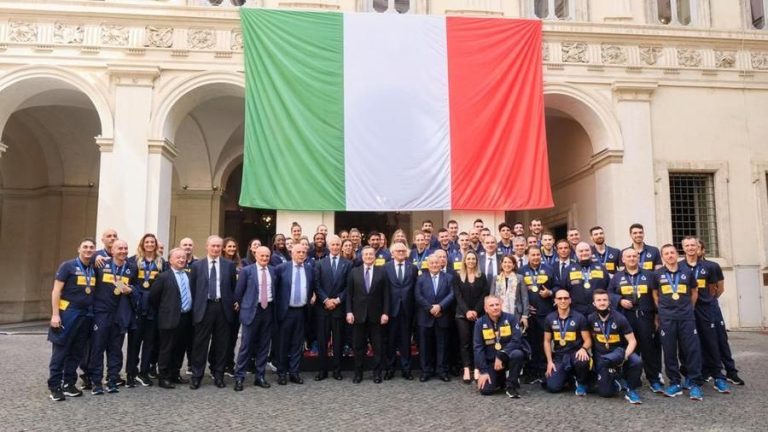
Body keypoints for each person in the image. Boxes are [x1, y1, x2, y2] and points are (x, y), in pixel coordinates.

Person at [680, 236, 731, 394]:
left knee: (711, 342)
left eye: (693, 245)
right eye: (687, 245)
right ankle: (690, 375)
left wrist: (707, 301)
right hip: (686, 310)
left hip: (705, 310)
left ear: (698, 247)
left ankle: (718, 376)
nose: (690, 248)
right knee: (687, 345)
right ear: (683, 248)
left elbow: (716, 289)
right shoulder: (679, 267)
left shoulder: (711, 266)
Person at [47, 238, 96, 401]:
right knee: (60, 351)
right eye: (85, 247)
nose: (88, 250)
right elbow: (56, 291)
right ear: (78, 249)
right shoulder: (67, 266)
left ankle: (69, 383)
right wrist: (55, 314)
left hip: (86, 316)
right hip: (68, 314)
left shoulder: (94, 268)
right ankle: (55, 386)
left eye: (91, 247)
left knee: (77, 351)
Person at [609, 248, 664, 393]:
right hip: (626, 317)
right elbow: (609, 294)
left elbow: (656, 297)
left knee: (649, 349)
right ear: (623, 259)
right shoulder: (616, 277)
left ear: (638, 258)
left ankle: (654, 380)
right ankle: (631, 378)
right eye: (629, 256)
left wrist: (657, 317)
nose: (632, 258)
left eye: (634, 256)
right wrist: (620, 300)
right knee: (628, 348)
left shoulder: (650, 275)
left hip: (645, 316)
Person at [653, 244, 704, 400]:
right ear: (663, 257)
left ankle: (694, 384)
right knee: (669, 351)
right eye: (666, 253)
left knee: (692, 351)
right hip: (667, 318)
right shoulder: (657, 274)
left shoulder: (687, 272)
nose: (670, 255)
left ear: (677, 254)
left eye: (672, 253)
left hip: (686, 317)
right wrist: (661, 310)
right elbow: (655, 294)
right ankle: (675, 383)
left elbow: (694, 292)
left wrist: (689, 308)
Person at [89, 240, 139, 394]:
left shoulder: (131, 267)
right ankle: (96, 382)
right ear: (112, 250)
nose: (123, 251)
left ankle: (112, 380)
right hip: (102, 312)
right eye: (119, 248)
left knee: (115, 349)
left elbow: (136, 287)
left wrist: (130, 289)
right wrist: (94, 257)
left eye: (125, 248)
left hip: (120, 314)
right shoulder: (100, 264)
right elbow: (86, 263)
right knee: (98, 347)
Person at [188, 235, 237, 389]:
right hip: (204, 307)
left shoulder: (229, 265)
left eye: (218, 246)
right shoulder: (197, 266)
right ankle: (197, 375)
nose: (215, 249)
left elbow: (232, 287)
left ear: (221, 248)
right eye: (213, 246)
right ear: (207, 246)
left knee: (221, 343)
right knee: (200, 343)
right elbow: (192, 288)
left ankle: (219, 374)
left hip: (222, 308)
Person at [698, 239, 744, 385]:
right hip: (694, 309)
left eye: (698, 247)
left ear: (703, 250)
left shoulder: (713, 266)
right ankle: (706, 371)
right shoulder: (685, 267)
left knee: (720, 339)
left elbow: (720, 288)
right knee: (701, 341)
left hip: (711, 308)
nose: (694, 249)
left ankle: (730, 371)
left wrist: (710, 300)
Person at [587, 289, 644, 404]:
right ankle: (617, 380)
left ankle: (631, 389)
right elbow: (588, 339)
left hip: (619, 353)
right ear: (594, 303)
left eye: (604, 300)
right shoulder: (591, 319)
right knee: (605, 393)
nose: (602, 303)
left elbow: (632, 341)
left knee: (637, 361)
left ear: (609, 302)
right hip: (603, 357)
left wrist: (626, 356)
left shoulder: (620, 318)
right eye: (599, 300)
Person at [232, 246, 276, 391]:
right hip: (251, 311)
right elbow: (239, 292)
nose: (264, 258)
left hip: (268, 310)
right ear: (255, 256)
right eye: (262, 256)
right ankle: (239, 377)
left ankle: (260, 376)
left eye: (267, 256)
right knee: (246, 346)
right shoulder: (246, 271)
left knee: (264, 346)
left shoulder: (273, 271)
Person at [126, 233, 167, 387]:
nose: (150, 244)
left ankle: (144, 372)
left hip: (153, 308)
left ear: (156, 245)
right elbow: (128, 281)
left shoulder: (161, 262)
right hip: (137, 307)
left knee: (149, 342)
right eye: (147, 242)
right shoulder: (133, 261)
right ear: (142, 244)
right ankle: (131, 372)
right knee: (134, 342)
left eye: (152, 242)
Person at [149, 248, 193, 389]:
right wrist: (165, 310)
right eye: (178, 257)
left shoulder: (189, 275)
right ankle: (164, 377)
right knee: (166, 348)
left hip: (186, 317)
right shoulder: (163, 277)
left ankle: (175, 373)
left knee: (180, 348)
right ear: (170, 261)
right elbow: (154, 297)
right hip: (169, 318)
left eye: (183, 257)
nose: (181, 260)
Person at [346, 246, 390, 383]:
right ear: (362, 256)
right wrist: (349, 312)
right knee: (358, 346)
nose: (369, 256)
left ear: (375, 256)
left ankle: (377, 373)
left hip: (376, 316)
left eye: (371, 254)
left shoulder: (382, 272)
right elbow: (349, 294)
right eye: (366, 254)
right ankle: (358, 373)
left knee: (377, 346)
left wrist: (385, 313)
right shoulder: (354, 272)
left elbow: (386, 295)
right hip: (358, 315)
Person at [273, 243, 313, 385]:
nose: (301, 254)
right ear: (291, 253)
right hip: (286, 312)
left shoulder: (309, 269)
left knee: (297, 344)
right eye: (298, 252)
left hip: (301, 312)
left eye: (304, 252)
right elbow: (275, 290)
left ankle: (294, 372)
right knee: (283, 344)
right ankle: (282, 373)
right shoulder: (281, 269)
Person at [314, 236, 352, 381]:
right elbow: (316, 285)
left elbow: (349, 286)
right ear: (328, 246)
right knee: (323, 341)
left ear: (341, 246)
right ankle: (322, 370)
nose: (335, 247)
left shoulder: (347, 264)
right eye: (333, 244)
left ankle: (337, 370)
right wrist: (325, 300)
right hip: (323, 308)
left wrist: (337, 300)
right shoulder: (319, 263)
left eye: (338, 244)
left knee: (338, 341)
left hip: (338, 307)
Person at [474, 295, 528, 398]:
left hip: (508, 358)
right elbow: (478, 348)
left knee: (518, 353)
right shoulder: (480, 323)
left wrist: (501, 354)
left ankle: (511, 385)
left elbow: (517, 340)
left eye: (497, 304)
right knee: (486, 390)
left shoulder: (511, 318)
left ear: (501, 305)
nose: (495, 307)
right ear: (486, 309)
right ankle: (501, 379)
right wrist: (483, 371)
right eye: (491, 305)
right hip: (491, 362)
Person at [415, 255, 455, 382]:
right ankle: (426, 371)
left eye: (436, 263)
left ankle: (442, 370)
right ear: (427, 264)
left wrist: (440, 306)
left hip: (443, 316)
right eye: (431, 263)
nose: (434, 265)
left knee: (442, 345)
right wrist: (430, 308)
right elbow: (418, 295)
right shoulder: (421, 278)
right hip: (425, 317)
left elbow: (452, 294)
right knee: (425, 346)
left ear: (441, 264)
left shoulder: (448, 278)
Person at [543, 289, 591, 395]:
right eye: (560, 298)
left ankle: (582, 383)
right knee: (552, 387)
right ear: (555, 301)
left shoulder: (579, 317)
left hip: (576, 353)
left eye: (566, 298)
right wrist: (550, 362)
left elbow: (588, 340)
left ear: (570, 300)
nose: (563, 301)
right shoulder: (549, 318)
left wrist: (583, 349)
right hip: (560, 356)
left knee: (582, 360)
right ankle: (569, 377)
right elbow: (546, 341)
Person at [518, 247, 555, 384]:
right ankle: (531, 371)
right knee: (530, 343)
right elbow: (517, 293)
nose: (535, 257)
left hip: (545, 312)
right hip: (529, 314)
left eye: (538, 254)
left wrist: (550, 293)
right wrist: (524, 307)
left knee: (544, 342)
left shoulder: (549, 269)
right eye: (532, 255)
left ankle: (544, 369)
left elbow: (557, 287)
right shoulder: (521, 271)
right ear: (527, 256)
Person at [383, 241, 419, 381]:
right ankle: (390, 369)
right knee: (390, 341)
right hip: (391, 310)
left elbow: (416, 289)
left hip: (407, 309)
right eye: (398, 251)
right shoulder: (385, 268)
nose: (401, 253)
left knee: (405, 341)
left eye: (403, 251)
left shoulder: (413, 268)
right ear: (392, 253)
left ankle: (406, 369)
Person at [453, 251, 489, 384]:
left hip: (478, 314)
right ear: (464, 261)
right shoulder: (458, 276)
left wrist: (475, 311)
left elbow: (484, 294)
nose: (471, 261)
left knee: (478, 343)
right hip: (462, 314)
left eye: (473, 259)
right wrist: (467, 311)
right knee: (465, 343)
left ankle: (477, 368)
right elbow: (458, 296)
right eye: (468, 259)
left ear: (477, 261)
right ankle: (467, 368)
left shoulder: (482, 276)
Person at [558, 242, 610, 316]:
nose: (584, 253)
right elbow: (563, 289)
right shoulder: (568, 270)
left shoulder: (601, 268)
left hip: (598, 310)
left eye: (587, 250)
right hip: (576, 311)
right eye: (581, 251)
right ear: (576, 253)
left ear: (591, 252)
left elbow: (608, 287)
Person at [221, 237, 243, 377]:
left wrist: (238, 301)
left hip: (237, 305)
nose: (232, 249)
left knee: (233, 337)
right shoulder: (221, 263)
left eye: (234, 247)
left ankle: (229, 364)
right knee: (222, 337)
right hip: (225, 305)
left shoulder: (240, 264)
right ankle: (219, 364)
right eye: (229, 247)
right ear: (224, 248)